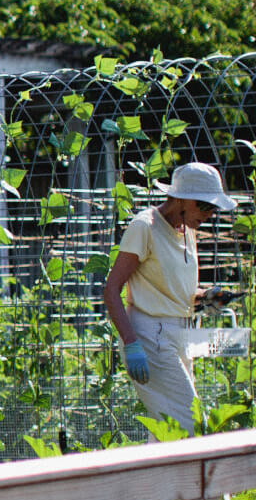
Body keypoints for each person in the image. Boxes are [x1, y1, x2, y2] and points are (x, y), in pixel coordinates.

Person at [102, 161, 237, 435]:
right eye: (205, 206)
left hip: (182, 334)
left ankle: (152, 479)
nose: (210, 214)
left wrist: (205, 297)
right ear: (181, 198)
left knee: (166, 434)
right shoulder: (145, 227)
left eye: (214, 208)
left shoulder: (188, 230)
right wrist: (131, 343)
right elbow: (111, 289)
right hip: (150, 338)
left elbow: (172, 293)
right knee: (191, 427)